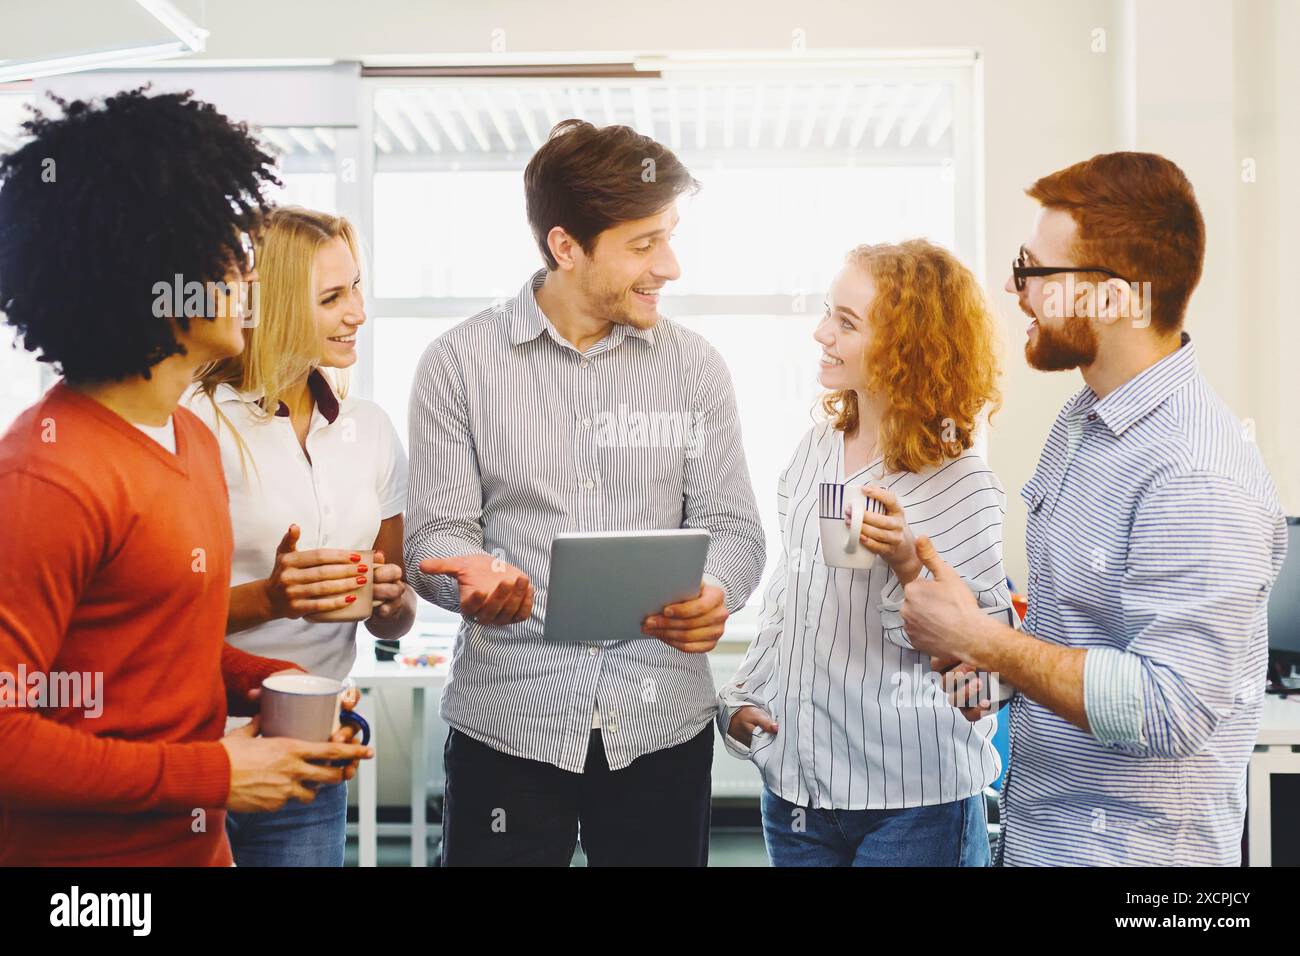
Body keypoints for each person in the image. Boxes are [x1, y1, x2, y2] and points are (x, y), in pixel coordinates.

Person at [0, 89, 372, 866]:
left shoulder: (191, 440)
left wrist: (280, 685)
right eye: (229, 259)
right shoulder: (46, 476)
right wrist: (216, 772)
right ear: (157, 281)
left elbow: (168, 655)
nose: (250, 281)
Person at [900, 152, 1287, 866]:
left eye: (1036, 273)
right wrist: (995, 667)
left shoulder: (1195, 473)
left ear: (1111, 298)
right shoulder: (1084, 421)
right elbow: (1086, 635)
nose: (1018, 292)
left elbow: (1170, 707)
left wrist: (987, 643)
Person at [405, 119, 766, 866]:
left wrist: (715, 591)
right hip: (508, 725)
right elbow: (433, 538)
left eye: (668, 237)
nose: (668, 265)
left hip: (660, 724)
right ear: (565, 247)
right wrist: (465, 580)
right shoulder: (456, 366)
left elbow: (735, 527)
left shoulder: (696, 369)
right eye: (643, 244)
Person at [717, 240, 1011, 866]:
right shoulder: (817, 449)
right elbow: (793, 599)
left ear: (906, 346)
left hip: (914, 805)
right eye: (829, 312)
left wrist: (906, 563)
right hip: (798, 797)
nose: (821, 332)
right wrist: (742, 695)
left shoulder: (961, 483)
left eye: (846, 323)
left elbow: (985, 678)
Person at [189, 206, 414, 866]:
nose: (359, 313)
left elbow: (391, 622)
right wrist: (272, 597)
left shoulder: (369, 430)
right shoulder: (196, 421)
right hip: (204, 742)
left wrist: (393, 602)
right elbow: (153, 620)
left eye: (358, 288)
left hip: (313, 740)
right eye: (332, 297)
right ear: (280, 303)